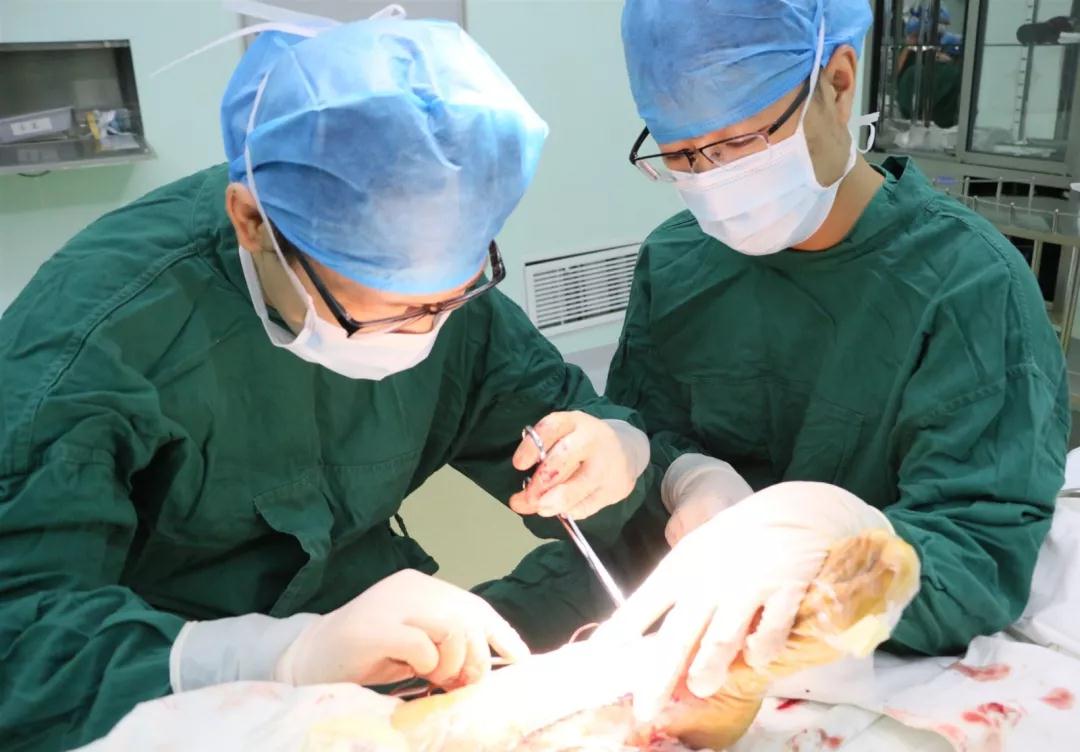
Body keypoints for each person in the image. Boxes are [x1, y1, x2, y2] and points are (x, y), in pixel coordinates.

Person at [0, 18, 652, 751]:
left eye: (447, 299)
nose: (423, 332)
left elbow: (544, 410)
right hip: (154, 709)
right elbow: (21, 640)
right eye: (383, 311)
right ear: (251, 222)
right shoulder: (91, 345)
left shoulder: (437, 284)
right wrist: (272, 657)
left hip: (374, 694)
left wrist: (613, 450)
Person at [596, 0, 1069, 717]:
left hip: (870, 665)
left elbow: (979, 554)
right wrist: (680, 479)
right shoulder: (674, 259)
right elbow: (641, 449)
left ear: (839, 82)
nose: (713, 179)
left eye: (739, 140)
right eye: (683, 156)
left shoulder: (970, 285)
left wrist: (833, 560)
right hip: (680, 641)